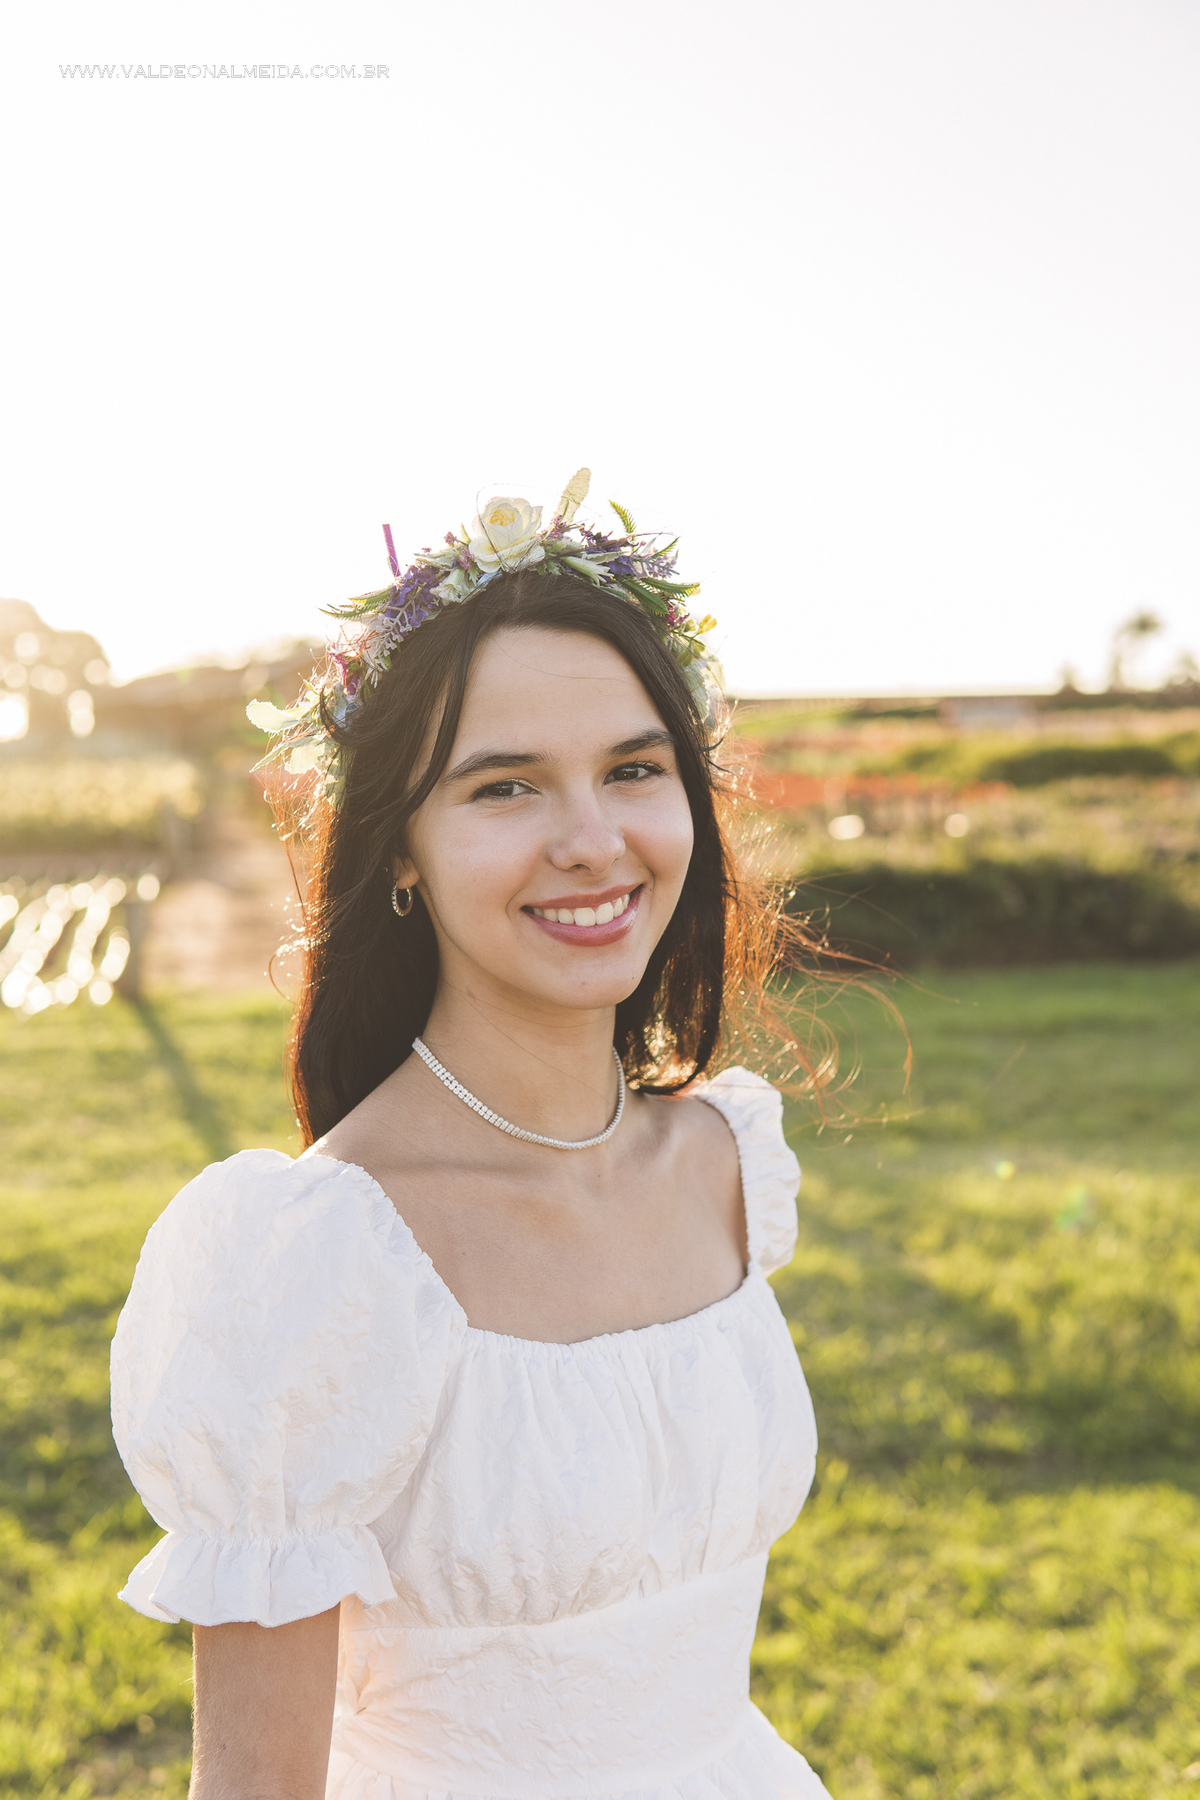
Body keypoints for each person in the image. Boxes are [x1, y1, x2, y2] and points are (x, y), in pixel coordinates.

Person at [111, 472, 833, 1800]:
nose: (592, 840)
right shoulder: (316, 1258)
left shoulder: (727, 1164)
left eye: (633, 769)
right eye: (506, 788)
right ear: (398, 850)